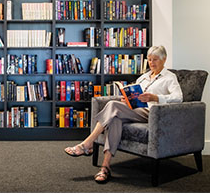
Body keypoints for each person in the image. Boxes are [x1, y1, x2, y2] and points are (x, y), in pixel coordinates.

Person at [64, 46, 182, 184]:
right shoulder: (143, 77)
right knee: (115, 119)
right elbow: (135, 94)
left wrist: (155, 97)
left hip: (153, 113)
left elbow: (178, 97)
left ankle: (87, 144)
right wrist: (126, 98)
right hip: (136, 109)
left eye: (155, 59)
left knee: (112, 106)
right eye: (149, 60)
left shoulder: (170, 77)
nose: (151, 63)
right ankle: (105, 167)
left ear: (164, 59)